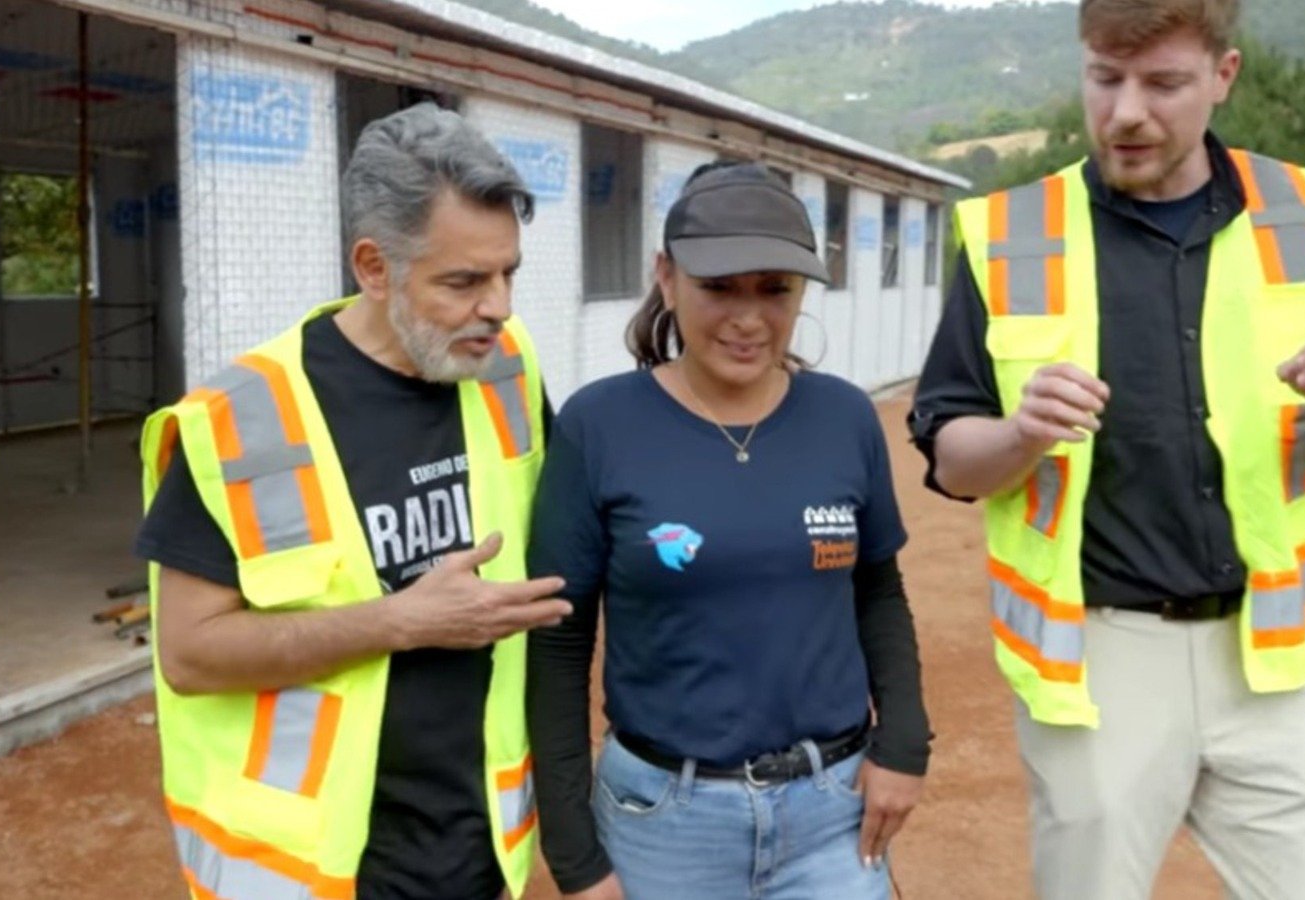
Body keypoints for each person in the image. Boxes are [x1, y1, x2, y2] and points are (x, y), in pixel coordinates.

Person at [908, 1, 1305, 898]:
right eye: (1104, 78)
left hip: (1271, 667)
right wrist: (1022, 433)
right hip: (1097, 667)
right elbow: (951, 457)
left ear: (1224, 75)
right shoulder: (1011, 232)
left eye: (1163, 83)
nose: (1126, 113)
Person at [134, 103, 571, 900]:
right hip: (314, 871)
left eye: (508, 273)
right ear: (374, 267)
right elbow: (189, 655)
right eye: (465, 282)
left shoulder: (506, 369)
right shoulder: (244, 419)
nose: (500, 306)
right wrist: (401, 622)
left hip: (479, 850)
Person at [526, 162, 932, 900]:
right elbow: (557, 641)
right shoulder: (599, 426)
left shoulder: (843, 417)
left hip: (832, 819)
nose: (749, 319)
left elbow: (877, 590)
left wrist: (903, 743)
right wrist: (575, 855)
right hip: (662, 827)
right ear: (666, 277)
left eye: (775, 289)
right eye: (718, 286)